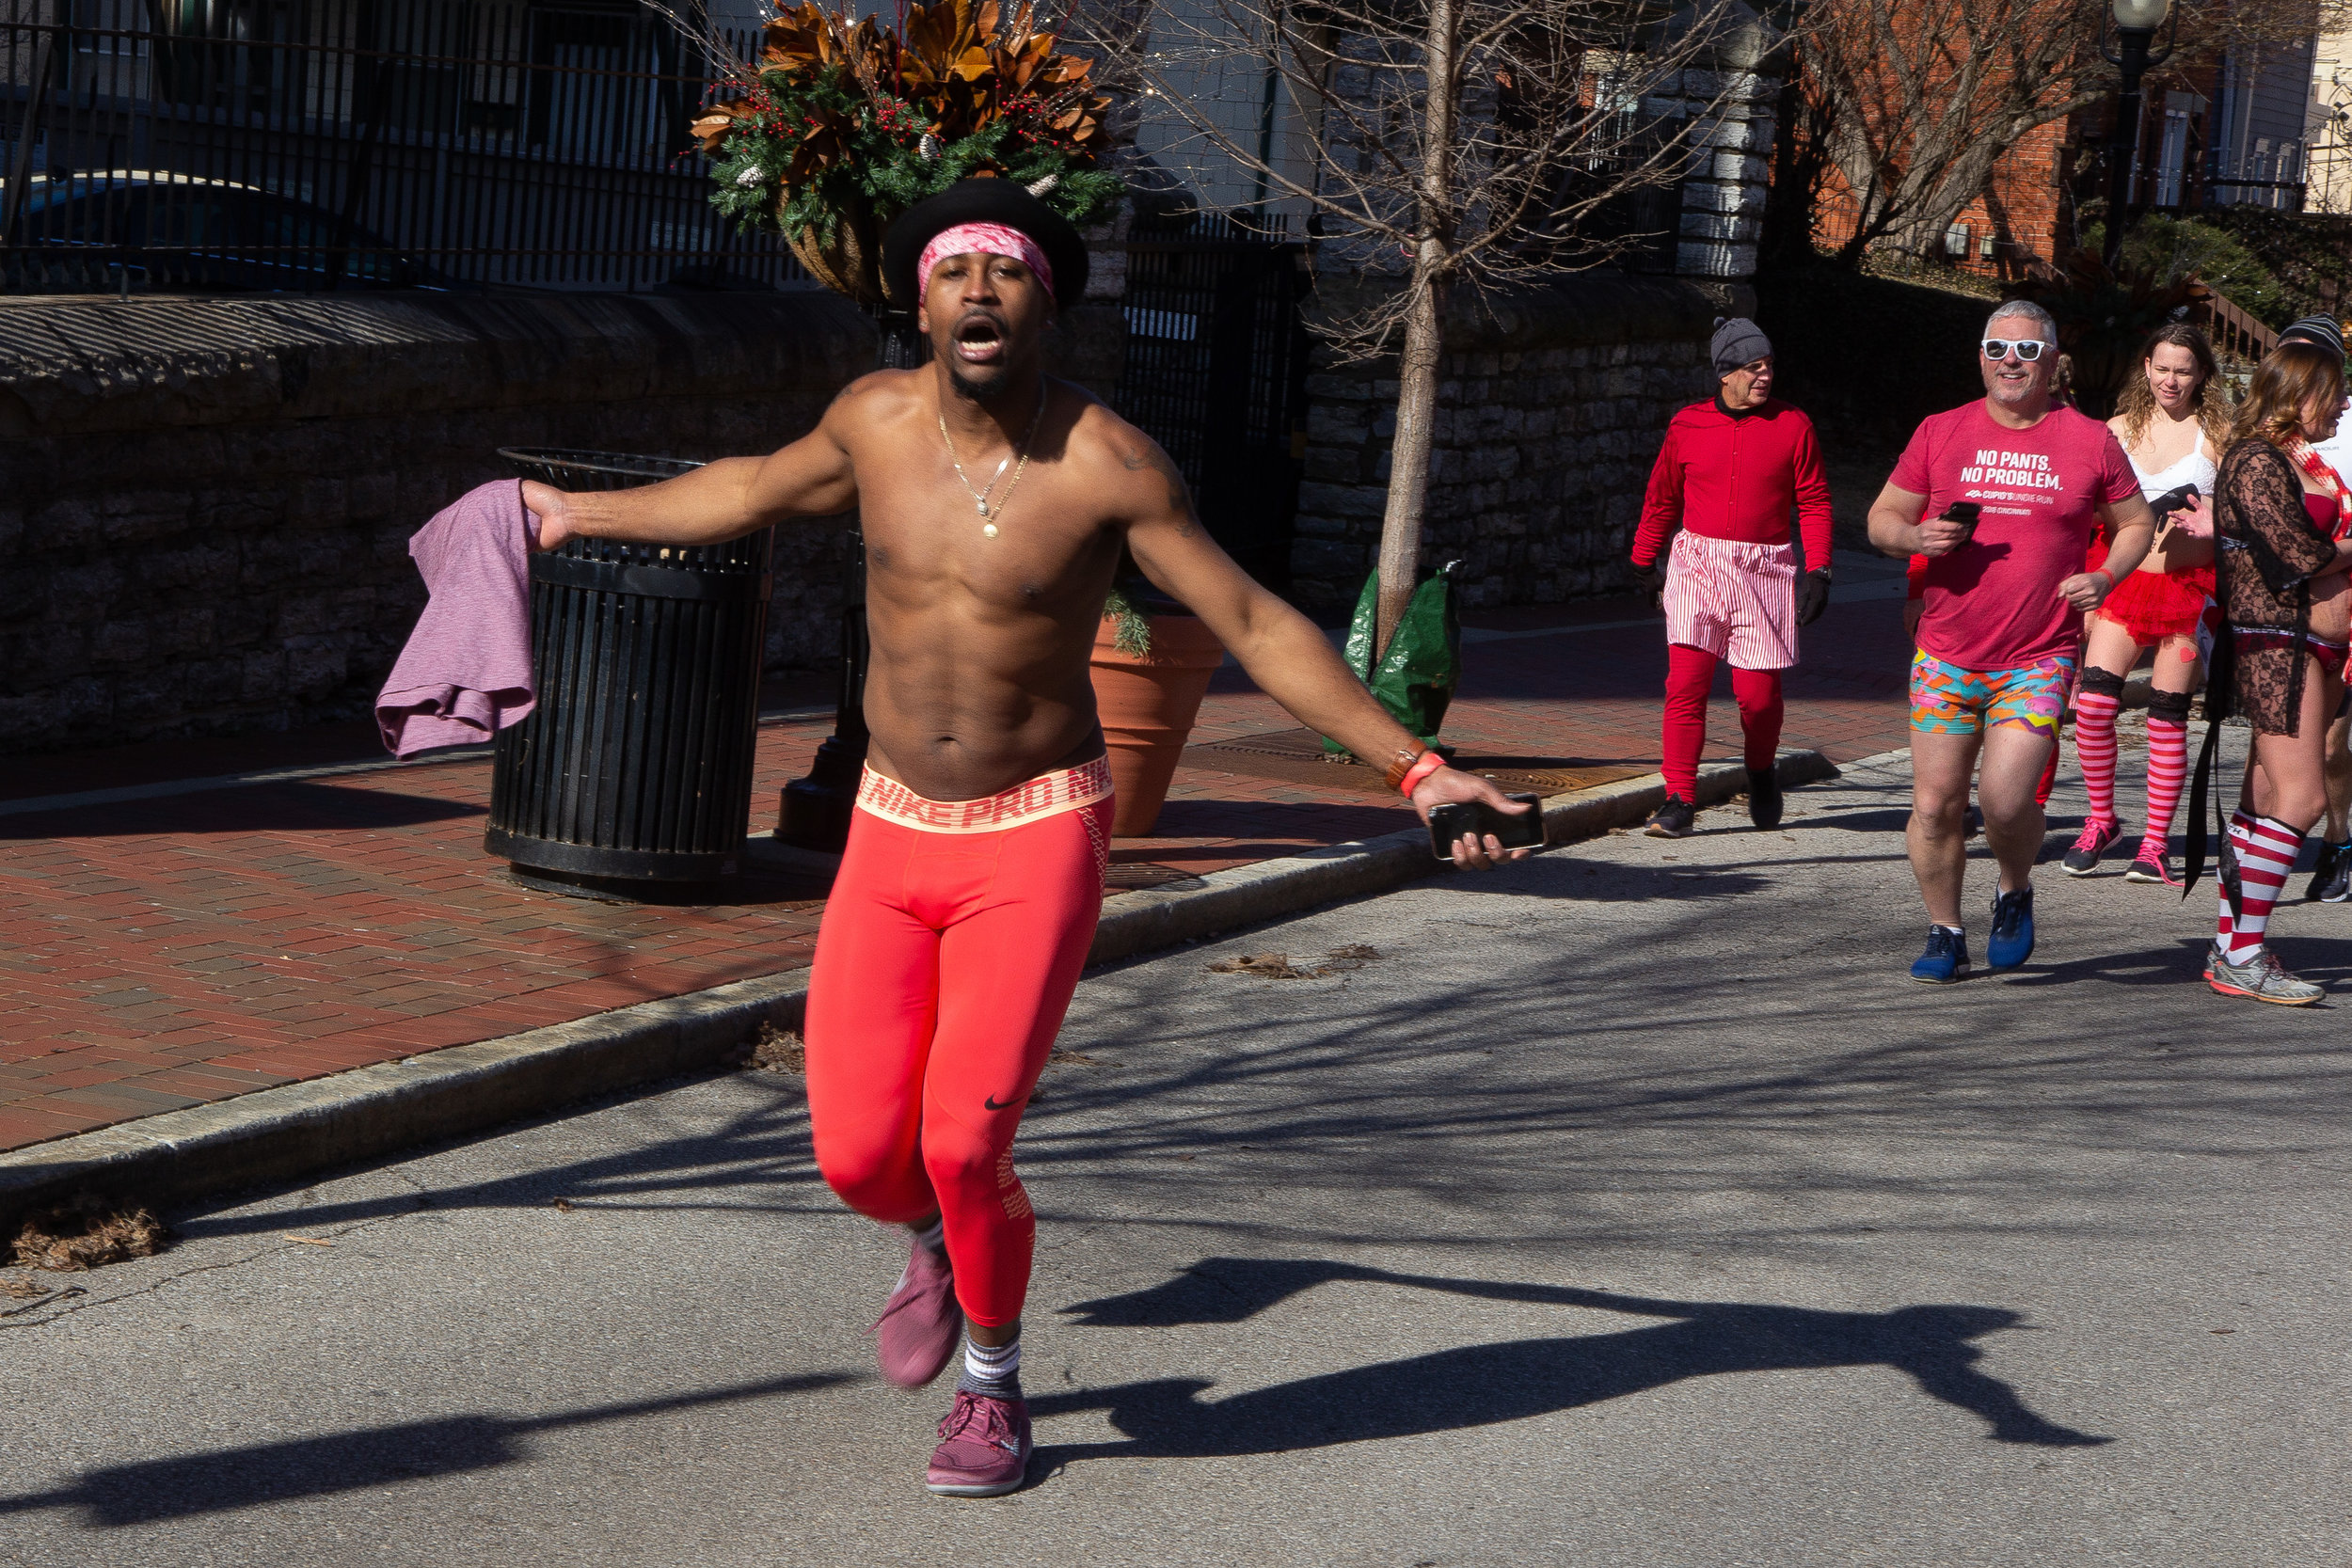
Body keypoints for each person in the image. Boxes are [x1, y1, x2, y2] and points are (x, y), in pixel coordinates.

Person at [520, 182, 1534, 1497]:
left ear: (1047, 302)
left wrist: (1421, 766)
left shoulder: (1108, 463)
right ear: (922, 303)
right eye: (956, 271)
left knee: (964, 1137)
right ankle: (936, 1239)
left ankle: (993, 1386)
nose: (981, 289)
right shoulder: (871, 423)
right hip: (888, 830)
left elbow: (1252, 617)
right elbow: (748, 489)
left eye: (1008, 270)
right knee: (855, 1154)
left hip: (1035, 833)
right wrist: (572, 512)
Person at [1867, 300, 2154, 982]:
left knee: (2002, 800)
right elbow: (1881, 517)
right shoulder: (1941, 431)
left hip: (2038, 655)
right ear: (1980, 357)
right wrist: (1913, 537)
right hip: (1945, 652)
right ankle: (1944, 929)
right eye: (1998, 349)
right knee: (1934, 804)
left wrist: (2106, 573)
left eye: (2028, 353)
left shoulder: (2089, 440)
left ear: (2054, 364)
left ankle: (2014, 885)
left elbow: (2138, 522)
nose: (2011, 364)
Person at [1629, 317, 1834, 838]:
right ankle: (1678, 798)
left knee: (1758, 697)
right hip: (1697, 565)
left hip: (1763, 571)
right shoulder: (1687, 425)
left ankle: (1761, 771)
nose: (1765, 375)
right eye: (1752, 367)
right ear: (1725, 373)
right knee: (1685, 686)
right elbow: (1661, 499)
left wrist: (1820, 569)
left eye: (1768, 365)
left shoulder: (1794, 425)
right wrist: (1643, 562)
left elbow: (1812, 499)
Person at [2200, 341, 2352, 1003]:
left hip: (2306, 643)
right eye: (2337, 391)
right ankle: (2242, 953)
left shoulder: (2293, 457)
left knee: (2264, 802)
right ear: (2300, 392)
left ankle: (2234, 941)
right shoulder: (2255, 458)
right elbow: (2295, 553)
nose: (2345, 403)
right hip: (2274, 640)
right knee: (2304, 799)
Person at [2058, 325, 2232, 885]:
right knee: (2094, 707)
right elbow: (2085, 513)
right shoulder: (2114, 430)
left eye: (2184, 369)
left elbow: (2247, 511)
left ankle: (2155, 843)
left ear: (2202, 373)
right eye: (2162, 367)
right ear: (2146, 367)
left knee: (2164, 715)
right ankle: (2102, 820)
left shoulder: (2220, 433)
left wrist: (2209, 507)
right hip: (2121, 584)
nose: (2171, 380)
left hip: (2188, 586)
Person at [2267, 317, 2352, 902]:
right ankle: (2256, 847)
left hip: (2343, 613)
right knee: (2278, 746)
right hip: (2283, 616)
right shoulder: (2265, 442)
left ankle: (2339, 839)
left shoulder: (2347, 425)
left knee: (2328, 746)